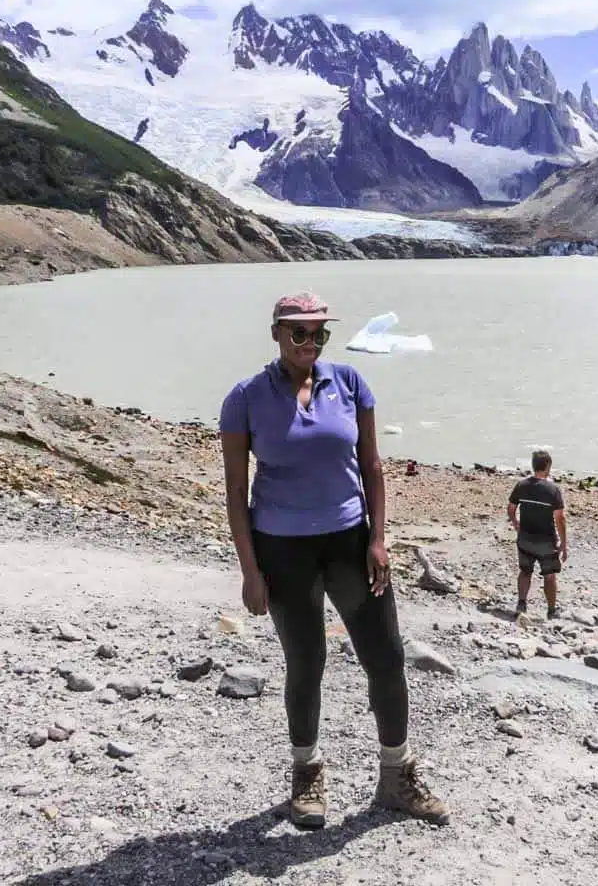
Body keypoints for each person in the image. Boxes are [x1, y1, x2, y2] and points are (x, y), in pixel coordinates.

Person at [219, 291, 449, 830]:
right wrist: (250, 571)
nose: (310, 343)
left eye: (320, 332)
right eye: (299, 332)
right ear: (276, 333)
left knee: (386, 658)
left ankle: (397, 776)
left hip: (350, 542)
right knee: (306, 662)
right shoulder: (245, 398)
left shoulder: (349, 383)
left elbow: (372, 466)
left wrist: (378, 540)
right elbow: (235, 491)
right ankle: (307, 772)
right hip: (282, 549)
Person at [507, 449, 568, 619]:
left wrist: (516, 523)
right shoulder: (553, 490)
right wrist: (563, 543)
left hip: (525, 537)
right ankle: (551, 610)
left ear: (533, 466)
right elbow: (560, 518)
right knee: (549, 576)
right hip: (546, 541)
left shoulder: (522, 485)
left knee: (525, 571)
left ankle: (521, 604)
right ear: (548, 466)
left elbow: (511, 509)